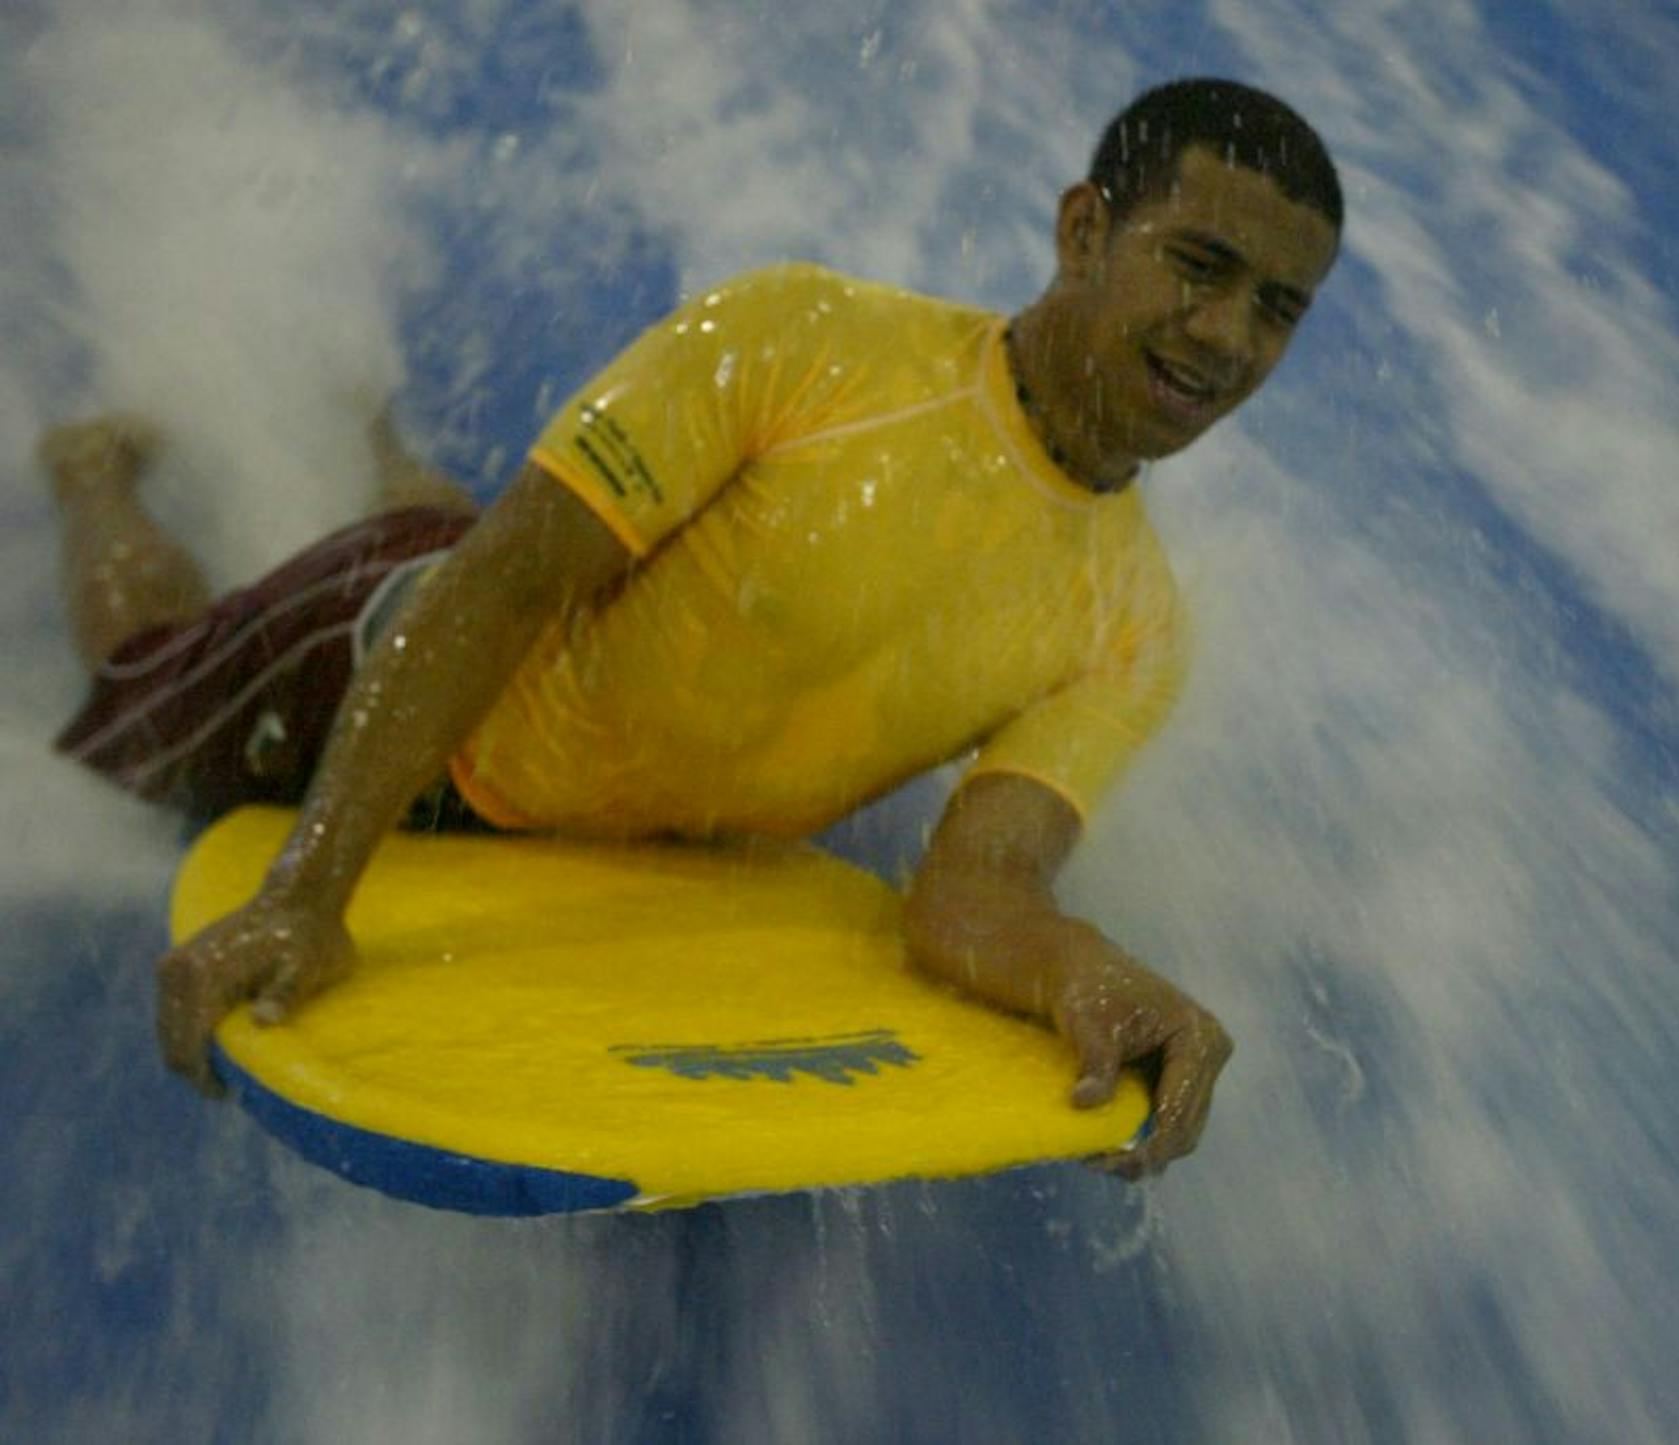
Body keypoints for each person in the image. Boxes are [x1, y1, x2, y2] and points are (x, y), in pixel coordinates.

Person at [45, 77, 1343, 1177]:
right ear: (1083, 232)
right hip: (383, 662)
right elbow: (500, 590)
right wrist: (306, 888)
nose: (1228, 336)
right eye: (1199, 266)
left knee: (471, 532)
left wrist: (1085, 972)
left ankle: (385, 443)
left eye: (1278, 307)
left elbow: (974, 891)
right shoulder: (806, 342)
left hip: (580, 762)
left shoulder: (1134, 625)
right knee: (144, 677)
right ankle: (94, 468)